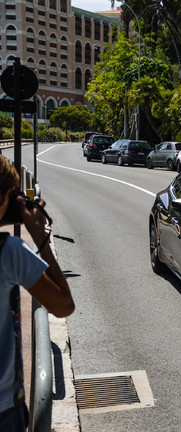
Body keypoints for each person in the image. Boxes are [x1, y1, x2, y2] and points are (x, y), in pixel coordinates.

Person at [0, 156, 74, 431]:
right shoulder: (9, 253)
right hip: (4, 407)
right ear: (6, 197)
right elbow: (63, 305)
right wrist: (39, 235)